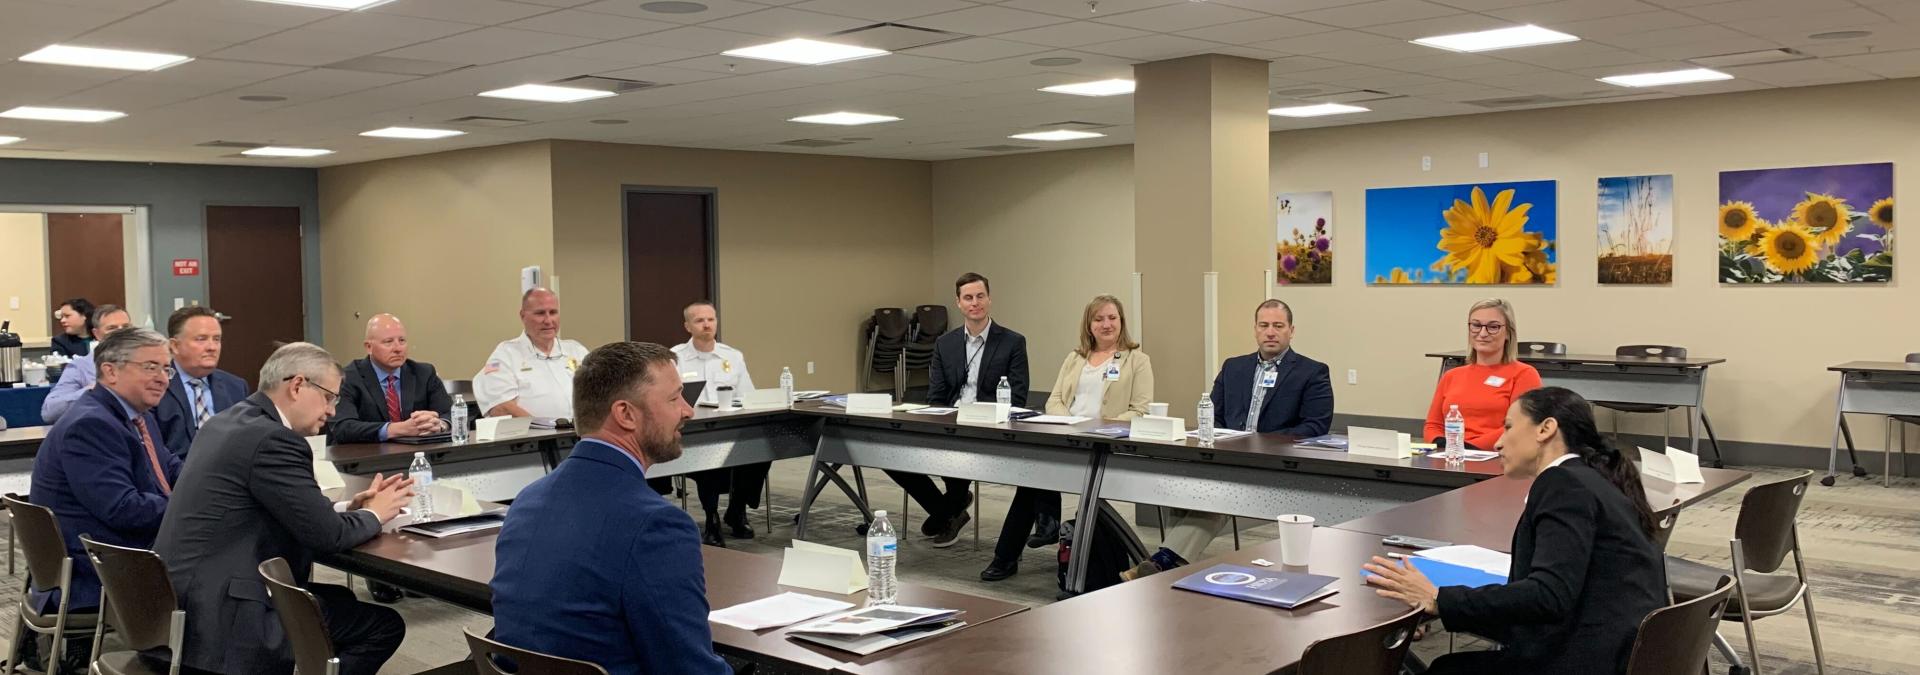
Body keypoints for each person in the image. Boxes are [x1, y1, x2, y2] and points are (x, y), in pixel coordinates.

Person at [153, 342, 414, 675]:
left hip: (183, 604)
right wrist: (377, 514)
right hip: (226, 619)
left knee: (342, 602)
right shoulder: (274, 440)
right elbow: (328, 536)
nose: (333, 411)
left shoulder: (226, 422)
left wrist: (350, 507)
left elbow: (279, 506)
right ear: (297, 385)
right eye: (330, 397)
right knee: (382, 626)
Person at [1364, 387, 1665, 675]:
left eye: (1508, 427)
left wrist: (1441, 599)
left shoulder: (1563, 484)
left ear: (1545, 429)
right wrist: (1449, 606)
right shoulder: (1595, 480)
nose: (1498, 443)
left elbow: (1549, 596)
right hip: (1618, 652)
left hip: (1584, 658)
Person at [491, 341, 729, 675]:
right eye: (675, 398)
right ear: (625, 414)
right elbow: (688, 668)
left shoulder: (528, 499)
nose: (688, 410)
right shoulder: (654, 523)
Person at [1129, 299, 1334, 578]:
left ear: (1291, 330)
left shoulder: (1312, 371)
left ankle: (1163, 562)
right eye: (1264, 325)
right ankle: (1168, 565)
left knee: (1219, 493)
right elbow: (1213, 414)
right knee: (1184, 485)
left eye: (1278, 326)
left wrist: (1264, 441)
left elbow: (1317, 425)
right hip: (1225, 455)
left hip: (1276, 464)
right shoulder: (1234, 367)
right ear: (1255, 330)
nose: (1270, 332)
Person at [983, 295, 1150, 581]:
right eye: (1098, 319)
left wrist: (1096, 425)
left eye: (1112, 318)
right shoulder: (1076, 358)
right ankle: (1028, 538)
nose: (1106, 324)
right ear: (1089, 325)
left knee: (1032, 483)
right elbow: (1056, 399)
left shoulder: (1137, 360)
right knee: (1031, 476)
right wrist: (1070, 422)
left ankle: (1013, 551)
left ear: (1122, 321)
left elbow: (1140, 410)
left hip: (1107, 443)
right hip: (1068, 436)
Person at [30, 328, 182, 615]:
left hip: (119, 550)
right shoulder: (90, 425)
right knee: (223, 574)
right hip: (98, 569)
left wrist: (206, 483)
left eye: (166, 369)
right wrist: (189, 507)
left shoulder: (137, 415)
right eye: (150, 367)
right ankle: (172, 655)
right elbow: (124, 509)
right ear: (110, 372)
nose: (162, 378)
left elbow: (169, 466)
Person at [885, 272, 1028, 548]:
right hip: (949, 421)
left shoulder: (1012, 342)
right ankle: (950, 509)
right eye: (968, 298)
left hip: (988, 426)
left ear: (989, 299)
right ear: (959, 303)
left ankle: (947, 510)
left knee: (956, 454)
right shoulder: (945, 343)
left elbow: (1018, 397)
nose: (975, 303)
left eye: (980, 296)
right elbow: (936, 395)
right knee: (893, 455)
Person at [670, 301, 768, 547]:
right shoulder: (675, 357)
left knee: (760, 451)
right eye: (699, 320)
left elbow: (747, 395)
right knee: (711, 458)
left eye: (710, 319)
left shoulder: (732, 356)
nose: (706, 325)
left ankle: (736, 510)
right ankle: (711, 518)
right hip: (691, 433)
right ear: (687, 326)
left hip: (730, 427)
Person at [1424, 299, 1542, 451]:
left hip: (1496, 457)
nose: (1483, 333)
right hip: (1450, 455)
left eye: (1493, 327)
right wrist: (1442, 446)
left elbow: (1520, 426)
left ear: (1508, 333)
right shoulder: (1451, 376)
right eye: (1476, 325)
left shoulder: (1524, 374)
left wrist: (1469, 448)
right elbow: (1433, 425)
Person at [328, 314, 451, 444]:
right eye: (388, 342)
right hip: (366, 457)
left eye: (402, 340)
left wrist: (440, 425)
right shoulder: (348, 378)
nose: (398, 348)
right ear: (368, 347)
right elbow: (342, 427)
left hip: (417, 454)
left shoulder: (424, 373)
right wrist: (396, 429)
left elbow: (451, 413)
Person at [475, 288, 590, 419]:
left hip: (583, 434)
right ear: (523, 316)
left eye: (553, 312)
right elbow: (501, 407)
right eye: (540, 313)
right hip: (532, 437)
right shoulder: (506, 355)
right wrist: (548, 429)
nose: (548, 320)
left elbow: (601, 393)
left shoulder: (576, 350)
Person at [153, 306, 248, 459]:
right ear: (175, 346)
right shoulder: (155, 385)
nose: (212, 347)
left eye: (216, 339)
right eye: (201, 339)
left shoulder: (235, 386)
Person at [40, 304, 134, 423]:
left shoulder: (147, 362)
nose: (122, 333)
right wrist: (92, 390)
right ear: (97, 334)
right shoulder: (81, 366)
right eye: (112, 328)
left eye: (126, 327)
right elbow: (50, 412)